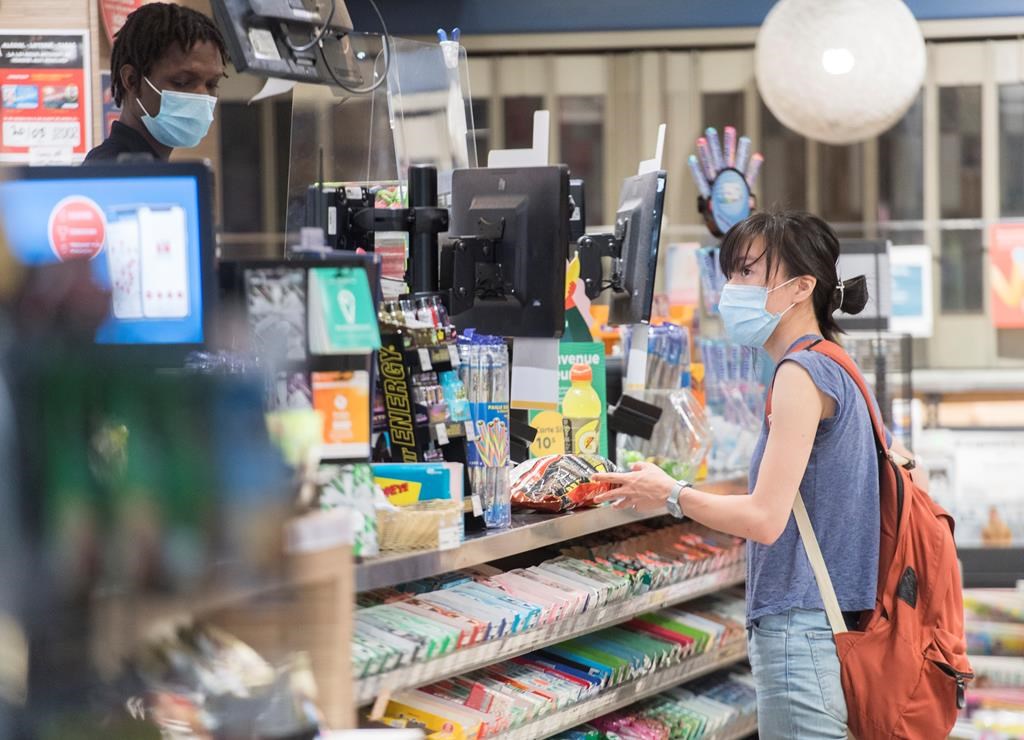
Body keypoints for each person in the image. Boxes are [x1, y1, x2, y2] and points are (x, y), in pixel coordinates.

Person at [593, 210, 926, 739]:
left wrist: (671, 492)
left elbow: (765, 518)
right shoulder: (839, 363)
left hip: (802, 630)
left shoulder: (799, 374)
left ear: (801, 287)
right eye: (731, 273)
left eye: (748, 272)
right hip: (841, 623)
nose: (733, 288)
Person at [85, 2, 227, 164]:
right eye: (182, 82)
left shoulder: (150, 167)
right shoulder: (116, 172)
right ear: (132, 80)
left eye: (211, 84)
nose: (202, 96)